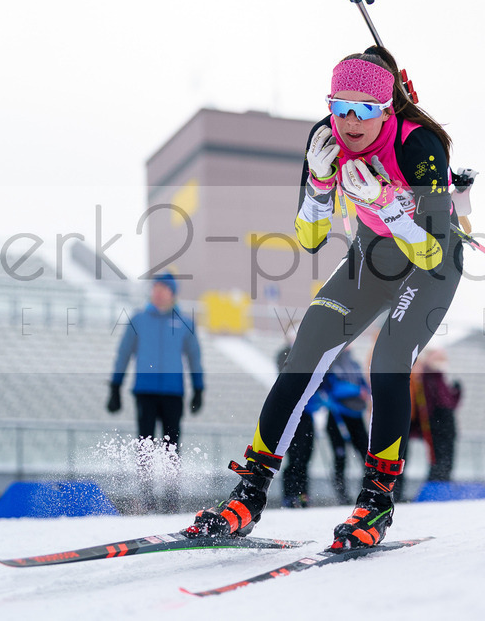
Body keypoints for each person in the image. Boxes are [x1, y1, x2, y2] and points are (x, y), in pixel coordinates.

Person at [185, 46, 462, 550]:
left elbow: (429, 251)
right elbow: (311, 240)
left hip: (432, 260)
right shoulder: (324, 138)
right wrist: (317, 185)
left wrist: (385, 205)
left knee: (390, 358)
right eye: (340, 107)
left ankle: (376, 500)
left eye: (365, 109)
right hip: (373, 256)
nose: (350, 121)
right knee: (306, 349)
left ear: (387, 109)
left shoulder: (418, 144)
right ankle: (250, 492)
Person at [107, 273, 204, 512]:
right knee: (145, 445)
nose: (158, 292)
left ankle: (171, 499)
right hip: (145, 392)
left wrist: (199, 387)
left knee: (172, 446)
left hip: (173, 393)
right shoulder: (139, 320)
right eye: (155, 288)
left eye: (163, 289)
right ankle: (146, 497)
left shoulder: (185, 322)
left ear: (172, 293)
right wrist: (115, 386)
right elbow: (123, 353)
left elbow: (194, 357)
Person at [319, 348, 371, 504]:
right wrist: (357, 391)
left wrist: (364, 392)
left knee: (365, 454)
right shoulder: (332, 364)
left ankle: (368, 491)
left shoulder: (354, 364)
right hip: (337, 416)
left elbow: (364, 385)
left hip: (355, 416)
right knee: (340, 456)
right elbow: (334, 389)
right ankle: (342, 494)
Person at [410, 348, 462, 483]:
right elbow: (429, 401)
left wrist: (457, 393)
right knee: (438, 455)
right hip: (435, 420)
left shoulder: (440, 377)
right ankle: (436, 482)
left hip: (446, 420)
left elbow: (449, 402)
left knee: (447, 455)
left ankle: (444, 481)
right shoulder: (426, 376)